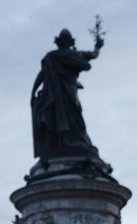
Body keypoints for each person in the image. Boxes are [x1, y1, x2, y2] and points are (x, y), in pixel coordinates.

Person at [31, 28, 104, 161]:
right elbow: (93, 55)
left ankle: (68, 142)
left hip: (60, 95)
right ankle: (66, 143)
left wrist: (33, 92)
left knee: (69, 119)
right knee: (72, 119)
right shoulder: (67, 56)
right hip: (62, 94)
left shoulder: (54, 56)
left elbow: (41, 76)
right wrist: (97, 47)